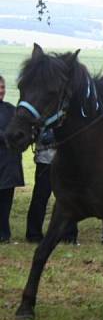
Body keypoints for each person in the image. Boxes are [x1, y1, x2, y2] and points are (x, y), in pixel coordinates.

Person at [25, 128, 79, 244]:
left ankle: (69, 235)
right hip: (46, 160)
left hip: (65, 160)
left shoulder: (67, 113)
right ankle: (34, 234)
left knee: (68, 198)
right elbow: (44, 138)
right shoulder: (44, 114)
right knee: (41, 197)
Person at [0, 75, 23, 242]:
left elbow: (20, 130)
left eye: (2, 87)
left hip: (9, 163)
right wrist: (9, 136)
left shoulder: (10, 109)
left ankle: (4, 234)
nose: (1, 91)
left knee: (6, 200)